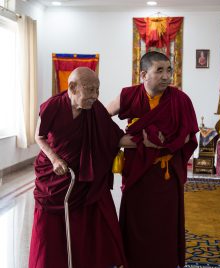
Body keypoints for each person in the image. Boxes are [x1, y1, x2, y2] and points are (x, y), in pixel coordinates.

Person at [29, 67, 130, 268]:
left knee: (91, 224)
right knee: (49, 232)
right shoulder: (53, 106)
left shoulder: (96, 110)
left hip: (85, 179)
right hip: (55, 178)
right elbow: (39, 136)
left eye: (97, 90)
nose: (95, 96)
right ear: (73, 87)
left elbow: (116, 137)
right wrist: (54, 159)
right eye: (90, 90)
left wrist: (145, 139)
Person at [106, 51, 199, 268]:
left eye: (169, 70)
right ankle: (132, 261)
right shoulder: (129, 96)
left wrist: (160, 144)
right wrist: (122, 140)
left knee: (164, 222)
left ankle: (164, 262)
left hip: (165, 173)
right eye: (160, 71)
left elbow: (188, 136)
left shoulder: (181, 100)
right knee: (137, 219)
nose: (167, 76)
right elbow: (100, 117)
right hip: (138, 171)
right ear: (143, 74)